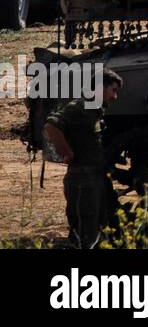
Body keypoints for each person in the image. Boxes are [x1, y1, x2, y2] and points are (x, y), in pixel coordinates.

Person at [44, 69, 124, 248]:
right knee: (84, 232)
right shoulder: (80, 106)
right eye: (113, 90)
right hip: (82, 180)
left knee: (103, 226)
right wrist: (66, 152)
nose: (115, 96)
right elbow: (51, 125)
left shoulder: (95, 110)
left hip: (95, 178)